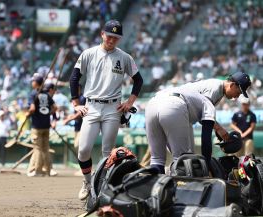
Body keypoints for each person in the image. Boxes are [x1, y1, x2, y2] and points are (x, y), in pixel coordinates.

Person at [69, 20, 143, 200]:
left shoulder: (125, 57)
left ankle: (103, 187)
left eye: (116, 38)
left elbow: (138, 80)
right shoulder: (88, 53)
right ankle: (87, 181)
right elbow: (74, 77)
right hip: (91, 106)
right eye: (109, 36)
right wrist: (75, 103)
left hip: (113, 107)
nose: (112, 40)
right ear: (102, 34)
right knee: (83, 149)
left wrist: (130, 101)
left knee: (107, 151)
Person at [145, 72, 252, 173]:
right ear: (232, 85)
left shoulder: (209, 86)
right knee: (184, 161)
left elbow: (202, 114)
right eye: (238, 92)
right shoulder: (215, 89)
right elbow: (206, 135)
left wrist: (219, 129)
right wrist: (207, 164)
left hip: (153, 103)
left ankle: (151, 189)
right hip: (174, 106)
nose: (237, 96)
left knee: (157, 160)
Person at [26, 75, 57, 177]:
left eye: (33, 81)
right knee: (45, 148)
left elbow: (32, 108)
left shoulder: (33, 94)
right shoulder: (46, 95)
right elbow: (55, 108)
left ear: (36, 83)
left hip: (37, 125)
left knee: (38, 148)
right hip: (46, 125)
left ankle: (37, 170)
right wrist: (47, 114)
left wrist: (28, 114)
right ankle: (48, 170)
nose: (32, 83)